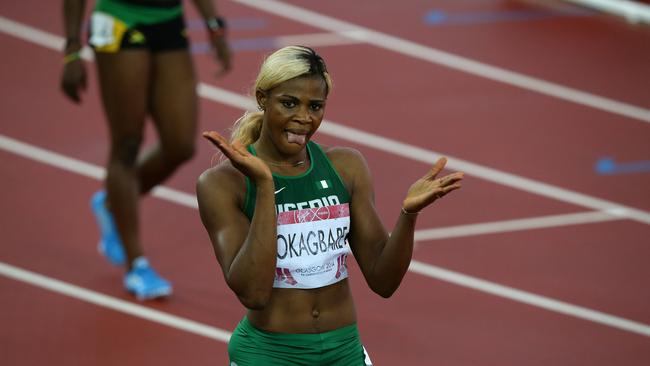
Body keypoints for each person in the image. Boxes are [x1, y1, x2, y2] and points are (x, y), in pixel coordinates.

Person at [196, 45, 464, 365]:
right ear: (262, 98)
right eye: (289, 103)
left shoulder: (346, 166)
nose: (304, 118)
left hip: (344, 351)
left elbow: (384, 281)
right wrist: (266, 187)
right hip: (269, 355)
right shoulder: (222, 184)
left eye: (316, 106)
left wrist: (409, 214)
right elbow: (253, 293)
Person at [60, 0, 232, 301]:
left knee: (180, 144)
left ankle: (114, 202)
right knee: (127, 144)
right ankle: (136, 265)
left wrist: (214, 25)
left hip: (168, 18)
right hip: (119, 20)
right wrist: (72, 48)